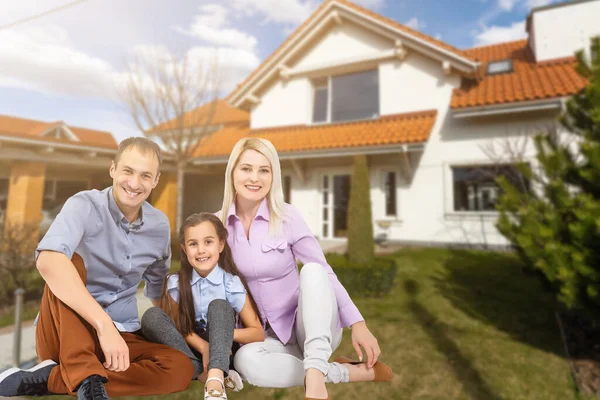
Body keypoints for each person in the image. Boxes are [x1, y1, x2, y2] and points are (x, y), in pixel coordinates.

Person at [0, 137, 195, 399]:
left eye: (145, 176)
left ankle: (55, 377)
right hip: (63, 333)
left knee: (180, 368)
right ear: (113, 169)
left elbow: (157, 291)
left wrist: (188, 335)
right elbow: (48, 260)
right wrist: (103, 324)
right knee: (69, 261)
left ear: (156, 180)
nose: (135, 184)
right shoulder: (84, 206)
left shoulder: (159, 226)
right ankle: (86, 376)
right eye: (128, 171)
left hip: (122, 333)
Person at [219, 138, 393, 400]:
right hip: (265, 338)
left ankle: (314, 374)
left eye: (264, 170)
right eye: (246, 168)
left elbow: (325, 271)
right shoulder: (216, 225)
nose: (255, 178)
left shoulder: (287, 216)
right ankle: (338, 372)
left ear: (273, 176)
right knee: (245, 362)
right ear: (232, 172)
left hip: (311, 327)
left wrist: (358, 323)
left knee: (313, 270)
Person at [140, 212, 264, 400]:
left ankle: (215, 377)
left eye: (208, 242)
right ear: (184, 249)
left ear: (220, 244)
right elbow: (177, 327)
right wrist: (203, 346)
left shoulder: (230, 284)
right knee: (151, 315)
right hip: (189, 347)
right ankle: (200, 371)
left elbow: (257, 333)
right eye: (193, 244)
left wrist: (217, 339)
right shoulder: (176, 283)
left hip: (221, 350)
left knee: (219, 305)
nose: (201, 250)